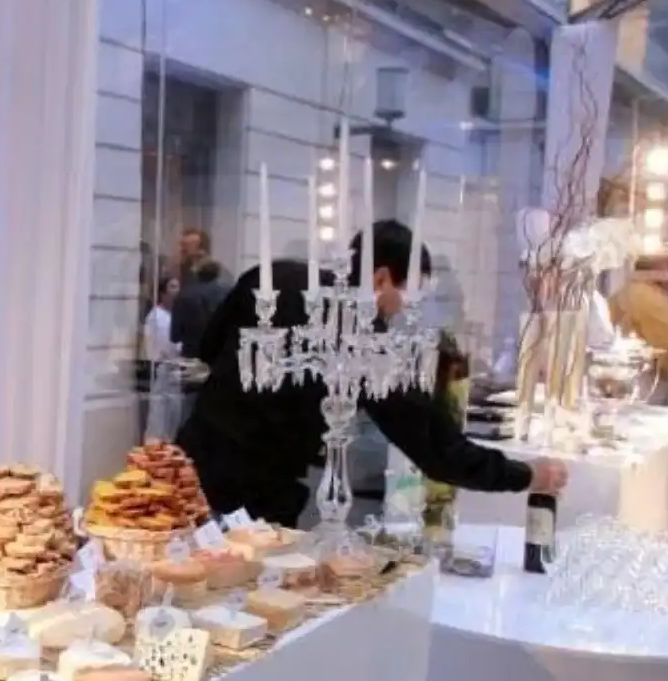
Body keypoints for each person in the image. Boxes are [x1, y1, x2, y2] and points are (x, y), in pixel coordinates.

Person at [177, 222, 567, 524]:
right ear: (381, 278)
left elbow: (208, 347)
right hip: (257, 502)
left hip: (187, 468)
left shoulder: (272, 279)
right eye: (408, 293)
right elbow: (436, 447)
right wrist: (525, 475)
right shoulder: (367, 339)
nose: (404, 308)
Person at [606, 269, 668, 386]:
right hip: (645, 381)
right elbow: (666, 354)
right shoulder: (653, 299)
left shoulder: (620, 293)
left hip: (616, 375)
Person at [168, 228, 231, 359]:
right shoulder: (173, 269)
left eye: (187, 246)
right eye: (181, 245)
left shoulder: (218, 274)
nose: (182, 250)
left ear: (201, 249)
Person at [142, 274, 180, 362]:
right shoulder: (155, 316)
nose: (177, 291)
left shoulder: (178, 314)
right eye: (173, 287)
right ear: (162, 292)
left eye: (178, 287)